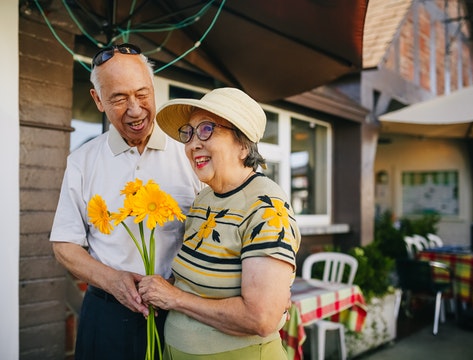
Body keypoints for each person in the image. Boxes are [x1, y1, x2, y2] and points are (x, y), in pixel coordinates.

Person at [49, 43, 203, 360]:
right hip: (106, 314)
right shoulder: (82, 161)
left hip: (180, 314)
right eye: (119, 98)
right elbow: (64, 244)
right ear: (98, 100)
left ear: (154, 88)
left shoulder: (191, 153)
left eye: (142, 93)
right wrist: (114, 281)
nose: (135, 109)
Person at [138, 87, 301, 359]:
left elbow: (260, 319)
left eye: (206, 129)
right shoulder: (204, 198)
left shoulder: (266, 206)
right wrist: (158, 287)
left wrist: (174, 298)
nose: (192, 144)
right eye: (188, 133)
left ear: (242, 144)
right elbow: (198, 280)